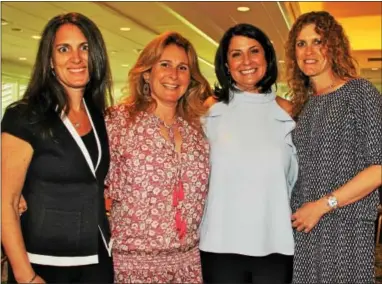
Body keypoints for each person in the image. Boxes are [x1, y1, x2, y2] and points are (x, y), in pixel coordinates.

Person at [1, 12, 114, 283]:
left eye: (84, 47)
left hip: (98, 258)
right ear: (50, 61)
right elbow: (5, 201)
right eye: (64, 49)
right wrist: (25, 275)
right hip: (44, 262)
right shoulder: (25, 116)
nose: (76, 58)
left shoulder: (100, 116)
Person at [105, 31, 212, 283]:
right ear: (146, 72)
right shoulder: (117, 121)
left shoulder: (198, 128)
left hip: (188, 265)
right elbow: (81, 172)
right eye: (164, 64)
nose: (174, 75)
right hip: (133, 266)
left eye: (182, 67)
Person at [285, 11, 382, 283]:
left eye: (318, 41)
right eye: (301, 44)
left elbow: (379, 168)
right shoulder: (305, 105)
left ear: (334, 45)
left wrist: (322, 206)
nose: (309, 51)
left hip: (345, 230)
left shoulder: (360, 93)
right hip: (306, 229)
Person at [199, 23, 297, 283]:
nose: (246, 61)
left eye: (254, 51)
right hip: (219, 245)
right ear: (226, 64)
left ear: (267, 56)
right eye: (236, 54)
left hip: (275, 243)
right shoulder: (209, 113)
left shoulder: (290, 114)